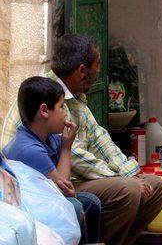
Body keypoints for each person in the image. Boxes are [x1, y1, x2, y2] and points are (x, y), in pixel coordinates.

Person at [1, 34, 162, 245]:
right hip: (39, 192)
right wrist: (126, 180)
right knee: (129, 190)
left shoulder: (73, 98)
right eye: (97, 64)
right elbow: (73, 161)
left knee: (154, 186)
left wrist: (130, 172)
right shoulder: (48, 98)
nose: (99, 71)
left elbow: (99, 139)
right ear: (81, 70)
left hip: (61, 180)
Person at [3, 76, 102, 243]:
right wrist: (66, 148)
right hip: (28, 206)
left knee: (90, 203)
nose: (65, 113)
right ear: (44, 110)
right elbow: (61, 188)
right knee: (80, 205)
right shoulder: (28, 148)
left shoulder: (50, 136)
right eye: (61, 106)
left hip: (45, 198)